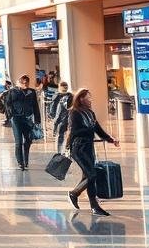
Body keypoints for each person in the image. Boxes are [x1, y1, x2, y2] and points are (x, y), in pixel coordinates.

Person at [65, 88, 120, 216]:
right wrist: (68, 147)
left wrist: (111, 139)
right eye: (88, 98)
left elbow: (98, 129)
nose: (90, 100)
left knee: (87, 176)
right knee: (92, 175)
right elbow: (74, 131)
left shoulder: (90, 113)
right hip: (78, 148)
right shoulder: (74, 113)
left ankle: (93, 206)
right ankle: (75, 194)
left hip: (88, 147)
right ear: (81, 99)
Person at [0, 74, 42, 170]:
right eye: (23, 82)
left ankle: (25, 159)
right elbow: (7, 104)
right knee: (18, 141)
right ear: (19, 82)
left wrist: (37, 120)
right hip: (16, 119)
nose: (25, 84)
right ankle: (20, 162)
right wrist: (10, 116)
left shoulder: (32, 92)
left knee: (28, 140)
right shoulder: (13, 91)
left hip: (28, 119)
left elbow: (35, 106)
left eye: (27, 82)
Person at [49, 81, 74, 153]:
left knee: (63, 136)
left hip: (65, 119)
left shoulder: (68, 96)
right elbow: (53, 109)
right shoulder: (58, 96)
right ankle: (61, 151)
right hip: (63, 119)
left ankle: (62, 151)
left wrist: (54, 121)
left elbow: (53, 110)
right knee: (62, 136)